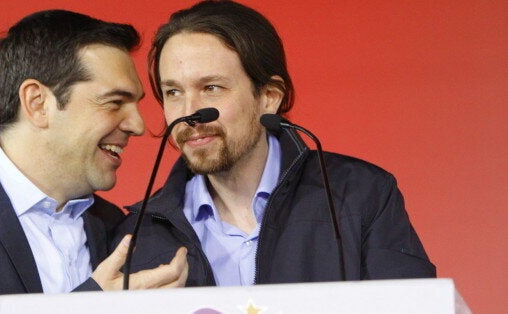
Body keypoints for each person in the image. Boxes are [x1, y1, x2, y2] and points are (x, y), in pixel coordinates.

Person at [0, 10, 187, 313]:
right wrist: (93, 305)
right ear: (38, 103)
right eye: (115, 103)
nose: (137, 125)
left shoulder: (112, 225)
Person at [115, 0, 435, 287]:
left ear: (269, 97)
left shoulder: (360, 194)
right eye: (173, 92)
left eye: (211, 87)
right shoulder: (137, 234)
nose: (188, 113)